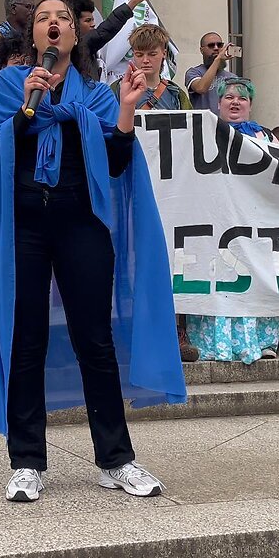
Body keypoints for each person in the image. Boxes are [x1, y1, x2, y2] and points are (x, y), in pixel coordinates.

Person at [0, 0, 186, 503]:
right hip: (24, 223)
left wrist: (128, 111)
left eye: (62, 19)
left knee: (96, 340)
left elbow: (114, 163)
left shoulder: (96, 95)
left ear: (74, 36)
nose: (52, 24)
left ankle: (116, 459)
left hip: (82, 223)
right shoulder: (8, 84)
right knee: (26, 341)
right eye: (44, 18)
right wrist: (28, 106)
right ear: (33, 34)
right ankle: (27, 461)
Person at [183, 77, 279, 364]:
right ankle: (216, 342)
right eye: (228, 97)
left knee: (255, 278)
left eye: (242, 98)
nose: (235, 102)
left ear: (251, 105)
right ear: (218, 104)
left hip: (255, 224)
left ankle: (261, 341)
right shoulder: (204, 135)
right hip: (215, 224)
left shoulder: (266, 139)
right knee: (219, 280)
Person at [111, 24, 199, 362]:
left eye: (151, 53)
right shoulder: (117, 89)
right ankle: (131, 335)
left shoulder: (177, 95)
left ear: (164, 55)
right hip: (132, 184)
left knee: (174, 258)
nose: (145, 60)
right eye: (139, 53)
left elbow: (192, 135)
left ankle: (176, 333)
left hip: (171, 188)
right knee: (130, 258)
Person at [66, 0, 153, 79]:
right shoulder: (80, 44)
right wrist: (133, 2)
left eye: (93, 20)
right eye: (88, 21)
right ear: (74, 23)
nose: (93, 24)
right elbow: (107, 28)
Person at [185, 32, 238, 114]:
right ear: (201, 50)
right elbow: (201, 88)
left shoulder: (233, 77)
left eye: (219, 45)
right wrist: (218, 59)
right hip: (203, 124)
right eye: (211, 45)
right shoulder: (194, 72)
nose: (216, 48)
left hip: (226, 124)